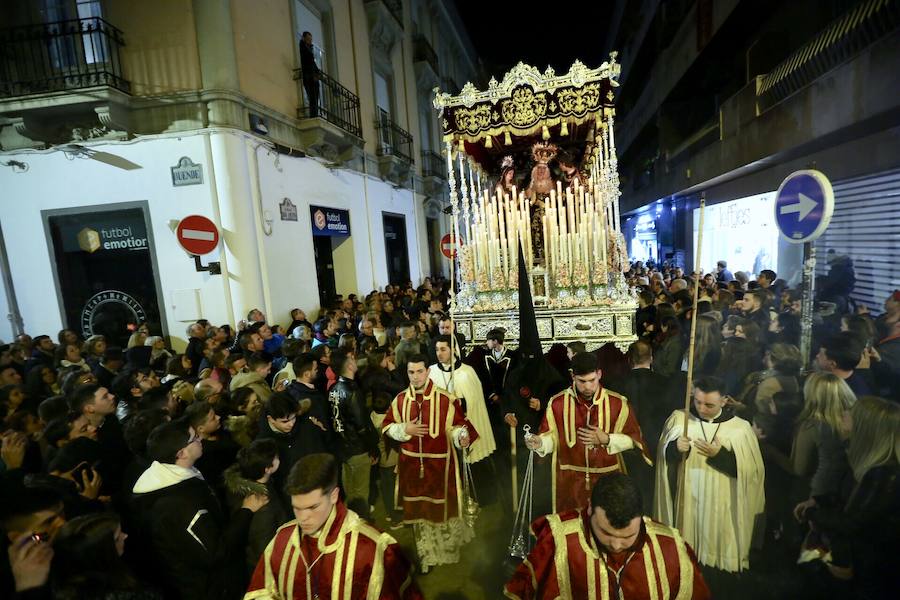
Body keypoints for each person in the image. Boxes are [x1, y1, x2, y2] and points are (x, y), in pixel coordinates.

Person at [504, 472, 710, 599]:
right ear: (590, 509)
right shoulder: (558, 539)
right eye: (606, 533)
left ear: (642, 518)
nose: (617, 545)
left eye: (628, 536)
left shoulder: (671, 548)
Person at [244, 453, 422, 599]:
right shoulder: (282, 540)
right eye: (296, 508)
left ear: (334, 495)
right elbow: (262, 591)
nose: (303, 518)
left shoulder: (372, 547)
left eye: (312, 507)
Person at [130, 419, 268, 600]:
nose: (200, 438)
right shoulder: (178, 506)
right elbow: (216, 553)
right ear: (181, 453)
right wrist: (246, 511)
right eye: (194, 438)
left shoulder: (179, 477)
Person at [654, 376, 765, 573]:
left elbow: (752, 473)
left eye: (709, 405)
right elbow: (664, 460)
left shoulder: (740, 429)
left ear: (724, 401)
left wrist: (720, 455)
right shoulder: (680, 419)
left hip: (723, 501)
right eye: (697, 402)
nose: (702, 409)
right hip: (689, 496)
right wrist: (675, 448)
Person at [381, 355, 476, 572]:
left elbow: (457, 428)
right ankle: (426, 555)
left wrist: (461, 436)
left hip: (441, 468)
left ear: (427, 371)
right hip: (412, 468)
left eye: (419, 372)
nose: (415, 377)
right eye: (411, 372)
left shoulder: (446, 399)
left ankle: (447, 548)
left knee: (442, 512)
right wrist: (404, 429)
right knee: (419, 515)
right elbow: (387, 427)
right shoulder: (400, 400)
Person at [525, 352, 652, 514]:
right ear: (572, 376)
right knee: (572, 531)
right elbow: (552, 438)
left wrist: (607, 439)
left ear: (599, 374)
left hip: (608, 480)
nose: (587, 386)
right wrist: (540, 443)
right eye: (582, 381)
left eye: (592, 380)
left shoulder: (617, 403)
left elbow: (634, 439)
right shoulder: (557, 403)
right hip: (569, 482)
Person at [50, 512, 162, 600]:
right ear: (100, 553)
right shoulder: (128, 595)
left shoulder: (64, 588)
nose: (125, 536)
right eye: (117, 538)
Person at [327, 349, 378, 518]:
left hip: (342, 449)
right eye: (353, 359)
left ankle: (347, 521)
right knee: (361, 492)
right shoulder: (352, 392)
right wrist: (372, 447)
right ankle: (359, 528)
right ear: (349, 364)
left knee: (349, 491)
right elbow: (361, 425)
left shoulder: (334, 389)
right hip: (357, 449)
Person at [298, 31, 321, 118]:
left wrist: (317, 72)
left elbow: (312, 63)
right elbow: (307, 61)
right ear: (304, 39)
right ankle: (313, 114)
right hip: (308, 77)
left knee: (315, 96)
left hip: (312, 77)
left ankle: (314, 114)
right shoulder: (303, 48)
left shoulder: (309, 48)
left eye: (311, 40)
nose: (310, 41)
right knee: (312, 96)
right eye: (308, 39)